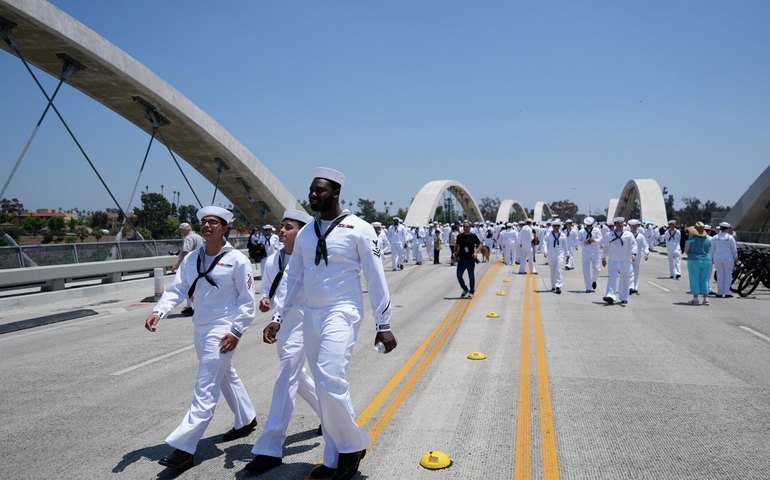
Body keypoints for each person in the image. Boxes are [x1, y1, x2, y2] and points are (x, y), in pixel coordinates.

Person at [281, 167, 397, 480]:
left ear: (335, 193)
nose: (313, 195)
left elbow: (375, 277)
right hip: (311, 313)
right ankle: (334, 457)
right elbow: (294, 277)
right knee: (324, 385)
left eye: (319, 190)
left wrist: (382, 323)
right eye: (311, 190)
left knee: (331, 376)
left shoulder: (358, 228)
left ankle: (350, 448)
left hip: (342, 310)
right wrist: (279, 315)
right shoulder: (305, 234)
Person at [145, 206, 257, 471]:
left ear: (225, 227)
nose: (207, 226)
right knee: (226, 374)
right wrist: (158, 311)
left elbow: (247, 301)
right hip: (201, 327)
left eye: (213, 222)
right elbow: (178, 289)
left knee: (205, 387)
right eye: (204, 222)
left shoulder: (237, 260)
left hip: (223, 329)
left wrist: (237, 331)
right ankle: (246, 419)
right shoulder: (193, 258)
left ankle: (185, 447)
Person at [245, 209, 322, 475]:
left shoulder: (313, 258)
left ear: (301, 231)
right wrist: (265, 301)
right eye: (282, 226)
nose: (281, 230)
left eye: (288, 227)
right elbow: (268, 290)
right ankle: (329, 416)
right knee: (295, 375)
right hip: (283, 324)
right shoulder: (271, 261)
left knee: (286, 375)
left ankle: (270, 446)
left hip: (305, 320)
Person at [601, 217, 637, 305]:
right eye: (618, 223)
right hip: (613, 260)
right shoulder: (609, 235)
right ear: (615, 224)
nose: (621, 225)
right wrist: (603, 257)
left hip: (625, 260)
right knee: (612, 278)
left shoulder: (628, 234)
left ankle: (624, 297)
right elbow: (605, 247)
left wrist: (634, 254)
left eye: (622, 223)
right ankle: (610, 296)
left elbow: (634, 245)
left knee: (625, 278)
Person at [171, 222, 204, 316]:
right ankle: (191, 307)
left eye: (181, 230)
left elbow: (185, 252)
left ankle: (195, 309)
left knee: (190, 287)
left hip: (191, 265)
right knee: (195, 287)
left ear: (185, 230)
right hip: (200, 263)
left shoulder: (188, 238)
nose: (180, 232)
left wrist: (177, 265)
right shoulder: (198, 236)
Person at [685, 221, 713, 305]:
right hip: (706, 260)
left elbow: (686, 251)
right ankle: (706, 298)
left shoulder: (691, 240)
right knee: (705, 279)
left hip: (694, 259)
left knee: (694, 278)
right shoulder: (708, 240)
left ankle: (696, 298)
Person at [709, 222, 738, 298]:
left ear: (721, 228)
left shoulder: (714, 237)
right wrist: (735, 258)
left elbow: (711, 249)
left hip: (717, 258)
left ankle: (719, 292)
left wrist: (711, 259)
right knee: (728, 275)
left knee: (719, 275)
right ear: (727, 229)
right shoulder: (730, 238)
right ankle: (727, 292)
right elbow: (734, 250)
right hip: (728, 258)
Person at [454, 220, 482, 298]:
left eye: (467, 227)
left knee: (471, 276)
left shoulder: (473, 236)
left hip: (470, 260)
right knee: (459, 275)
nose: (465, 228)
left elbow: (480, 245)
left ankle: (471, 291)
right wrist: (454, 253)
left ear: (470, 227)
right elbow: (456, 245)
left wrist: (476, 252)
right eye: (464, 227)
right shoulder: (460, 236)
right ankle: (465, 289)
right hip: (461, 260)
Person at [578, 216, 602, 292]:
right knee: (586, 270)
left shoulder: (596, 230)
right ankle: (588, 287)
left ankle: (593, 280)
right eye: (587, 225)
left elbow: (601, 238)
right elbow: (578, 241)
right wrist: (585, 242)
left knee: (597, 269)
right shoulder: (582, 231)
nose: (589, 227)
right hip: (585, 251)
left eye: (590, 225)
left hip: (594, 251)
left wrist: (594, 240)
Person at [542, 219, 567, 294]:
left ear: (560, 226)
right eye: (555, 226)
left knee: (559, 270)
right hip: (551, 255)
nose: (556, 227)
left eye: (558, 226)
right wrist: (545, 251)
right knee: (552, 270)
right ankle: (553, 286)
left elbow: (565, 246)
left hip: (560, 255)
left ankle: (558, 286)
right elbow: (544, 243)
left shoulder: (563, 235)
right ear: (552, 226)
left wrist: (567, 255)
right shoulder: (548, 235)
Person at [627, 219, 649, 295]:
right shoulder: (627, 235)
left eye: (636, 226)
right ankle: (630, 287)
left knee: (636, 272)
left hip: (637, 256)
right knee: (630, 271)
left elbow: (645, 245)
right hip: (628, 256)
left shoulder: (641, 236)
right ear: (630, 226)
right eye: (633, 226)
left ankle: (634, 287)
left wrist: (646, 253)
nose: (635, 227)